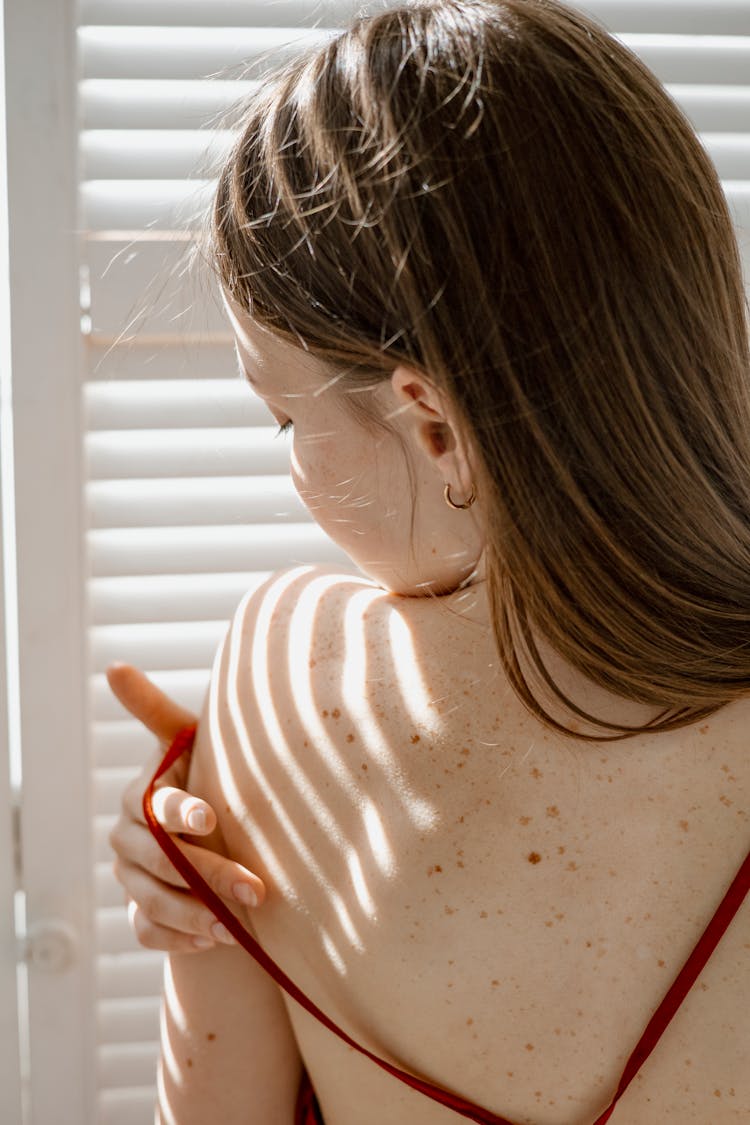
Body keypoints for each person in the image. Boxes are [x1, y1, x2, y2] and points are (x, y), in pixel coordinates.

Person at [107, 1, 750, 1122]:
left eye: (282, 418)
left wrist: (203, 899)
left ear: (433, 422)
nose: (291, 471)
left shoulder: (281, 668)